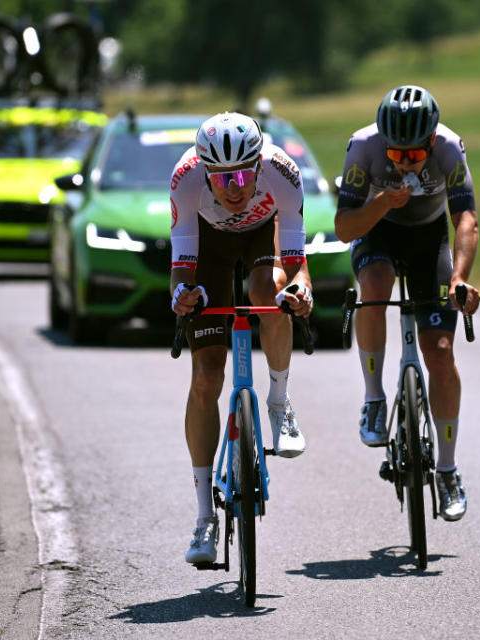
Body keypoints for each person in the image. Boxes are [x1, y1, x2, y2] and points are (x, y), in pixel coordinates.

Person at [170, 111, 314, 563]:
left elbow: (296, 260)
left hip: (261, 236)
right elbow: (183, 262)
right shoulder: (185, 178)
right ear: (204, 170)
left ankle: (279, 401)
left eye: (242, 175)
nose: (233, 187)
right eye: (222, 177)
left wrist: (302, 290)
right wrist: (181, 294)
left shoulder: (283, 173)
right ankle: (203, 519)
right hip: (207, 246)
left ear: (258, 165)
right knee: (207, 377)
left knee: (268, 291)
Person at [334, 85, 480, 522]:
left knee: (440, 352)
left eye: (414, 155)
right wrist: (380, 203)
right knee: (375, 285)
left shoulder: (450, 148)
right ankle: (375, 398)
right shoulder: (363, 147)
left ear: (432, 141)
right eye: (395, 155)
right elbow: (344, 227)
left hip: (428, 238)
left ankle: (448, 471)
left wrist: (459, 279)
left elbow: (466, 220)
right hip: (376, 228)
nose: (403, 162)